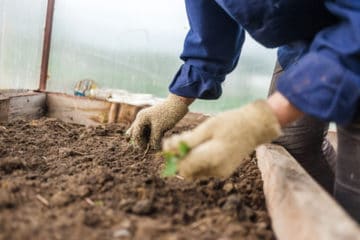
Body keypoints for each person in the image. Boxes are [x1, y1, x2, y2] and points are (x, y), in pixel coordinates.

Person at [127, 0, 360, 222]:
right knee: (292, 142)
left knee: (354, 195)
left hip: (351, 36)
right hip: (304, 46)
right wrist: (176, 102)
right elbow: (210, 25)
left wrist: (262, 119)